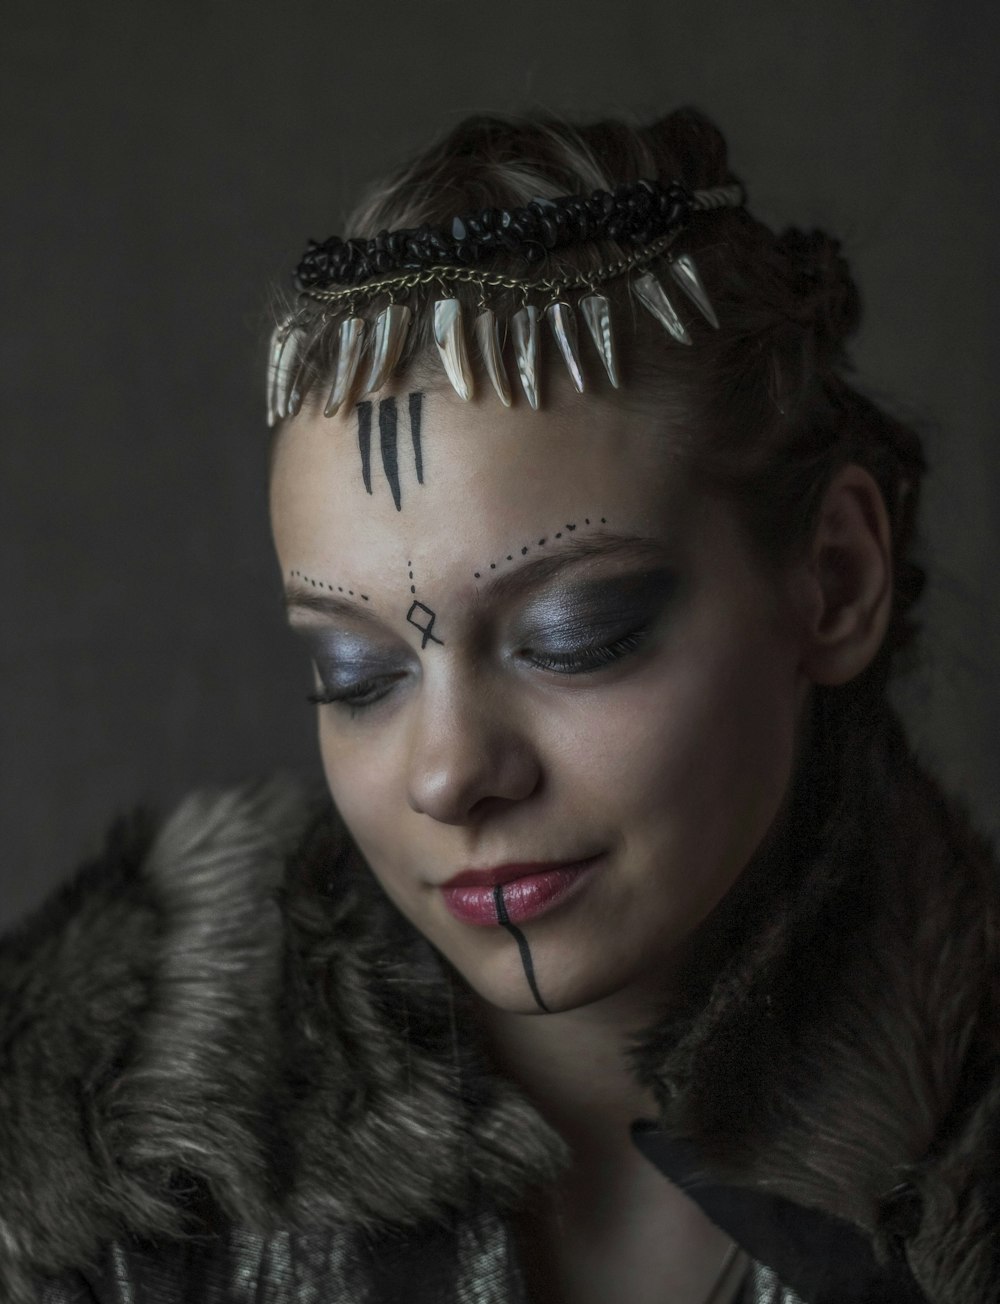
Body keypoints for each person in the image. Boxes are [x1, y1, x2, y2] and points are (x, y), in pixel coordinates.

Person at [1, 107, 997, 1304]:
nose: (447, 772)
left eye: (574, 636)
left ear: (833, 578)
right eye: (354, 676)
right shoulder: (110, 1170)